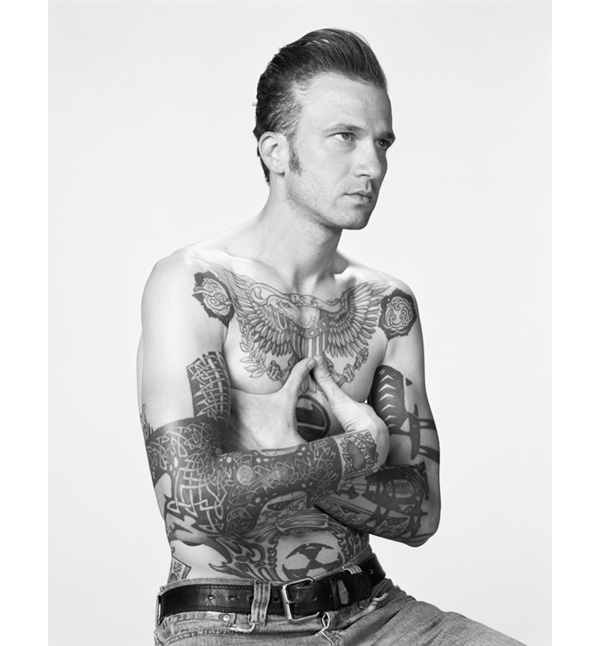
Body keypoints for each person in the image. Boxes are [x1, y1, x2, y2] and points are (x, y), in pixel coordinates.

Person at [138, 28, 525, 645]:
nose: (373, 165)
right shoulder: (194, 284)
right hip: (226, 619)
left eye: (381, 142)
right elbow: (193, 503)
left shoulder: (386, 306)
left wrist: (283, 455)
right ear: (276, 151)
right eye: (345, 136)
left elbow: (422, 512)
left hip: (375, 611)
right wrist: (357, 450)